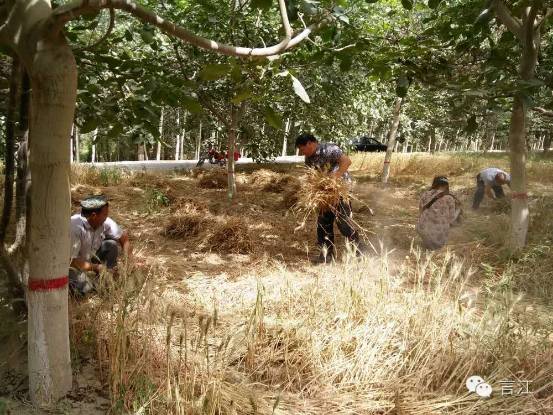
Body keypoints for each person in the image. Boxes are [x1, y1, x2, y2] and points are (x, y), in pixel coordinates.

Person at [295, 133, 366, 263]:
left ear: (310, 144)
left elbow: (346, 161)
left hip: (340, 189)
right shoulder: (309, 159)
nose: (301, 152)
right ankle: (326, 256)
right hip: (324, 194)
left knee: (343, 222)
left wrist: (335, 177)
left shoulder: (329, 149)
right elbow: (312, 176)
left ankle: (359, 252)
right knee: (323, 224)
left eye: (302, 148)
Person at [69, 195, 131, 296]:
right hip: (74, 265)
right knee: (86, 289)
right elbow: (70, 262)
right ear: (94, 215)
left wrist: (129, 261)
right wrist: (97, 267)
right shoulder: (74, 228)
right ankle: (95, 285)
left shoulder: (102, 221)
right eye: (105, 214)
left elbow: (124, 238)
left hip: (91, 257)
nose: (106, 217)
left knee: (111, 245)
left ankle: (107, 278)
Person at [417, 176, 462, 250]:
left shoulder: (425, 194)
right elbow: (451, 219)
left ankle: (428, 243)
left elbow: (420, 211)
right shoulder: (449, 198)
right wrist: (458, 210)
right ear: (446, 185)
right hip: (439, 234)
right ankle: (434, 245)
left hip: (422, 229)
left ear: (434, 184)